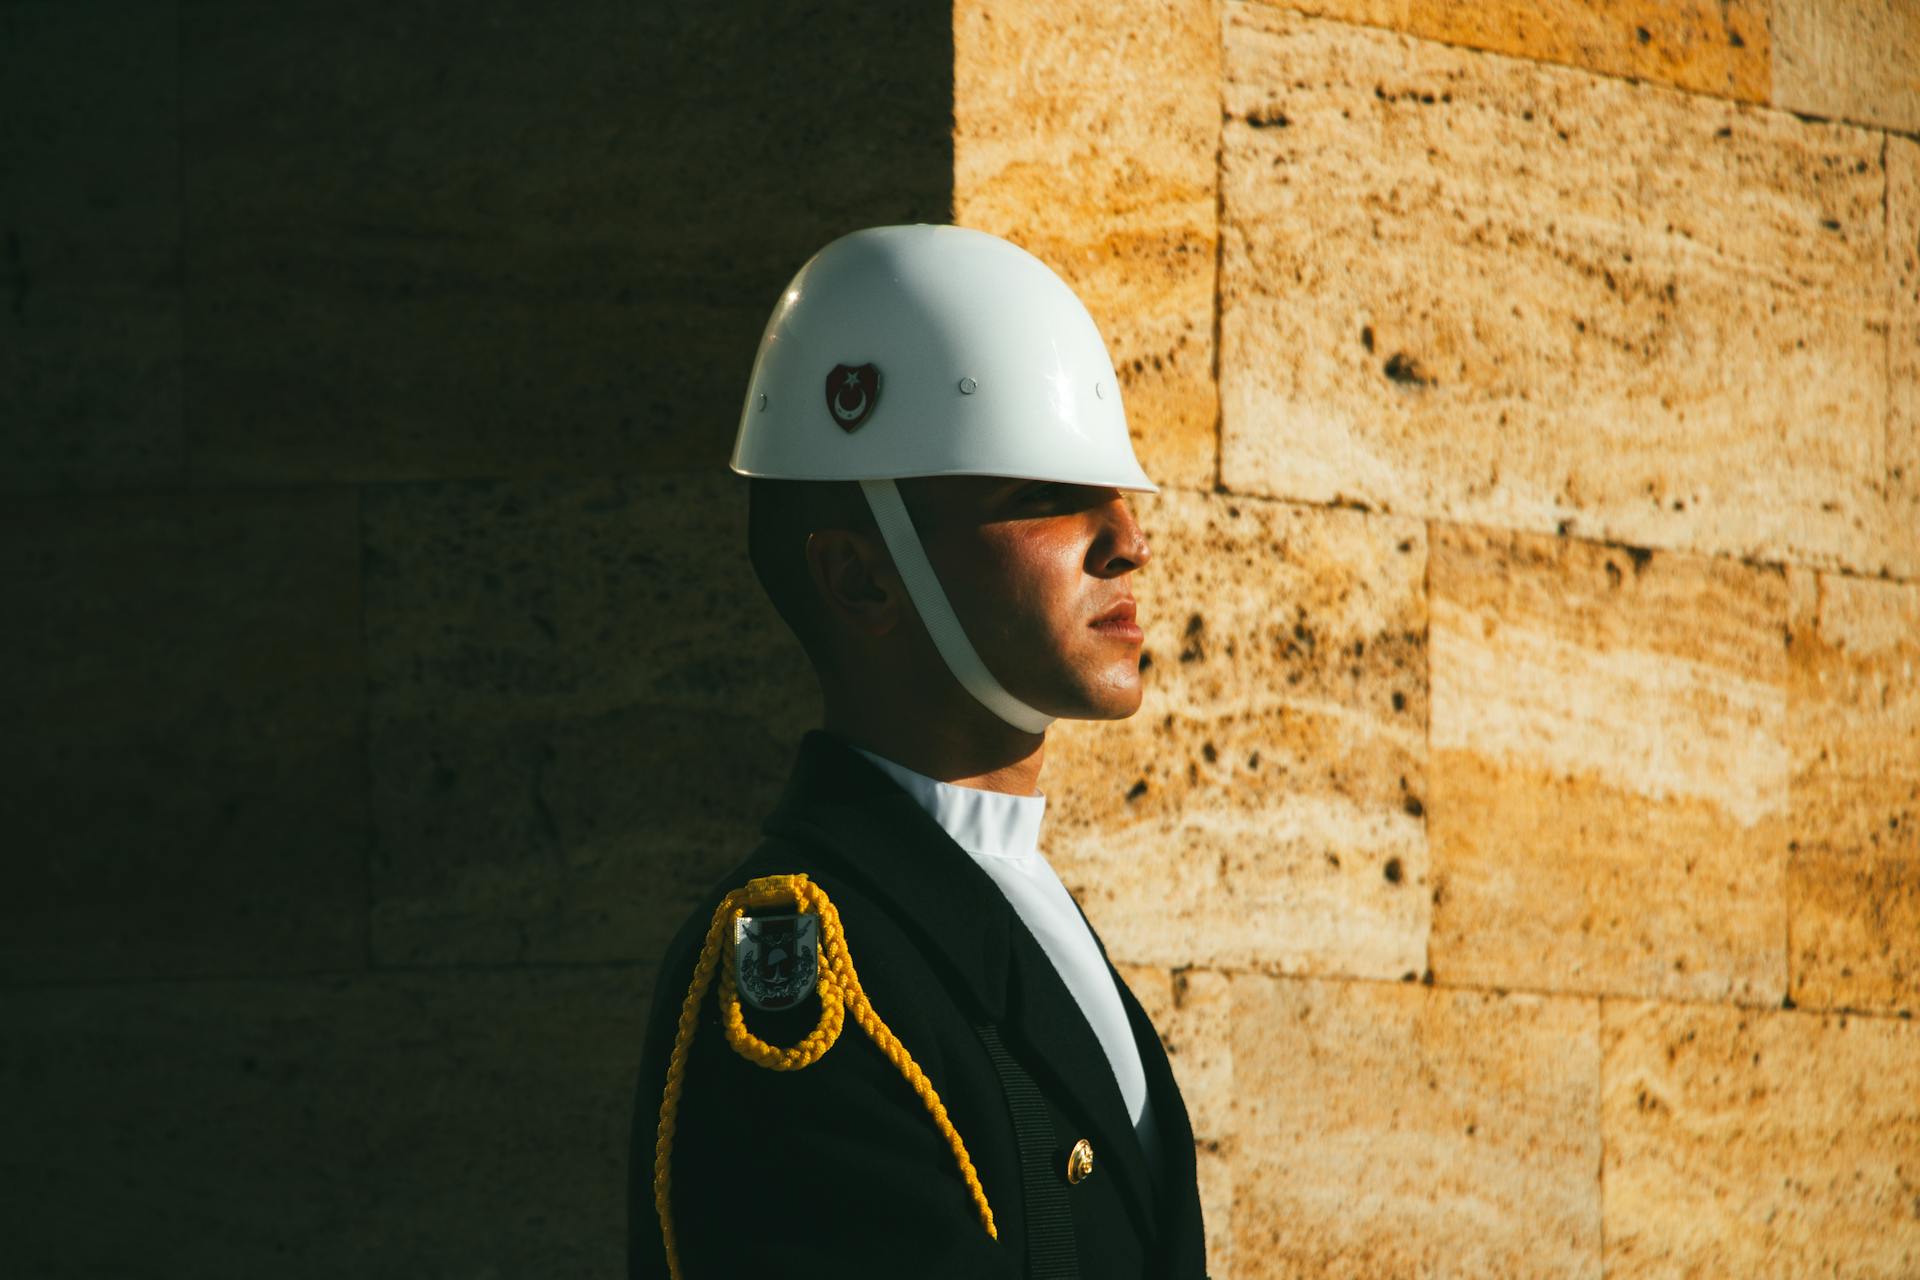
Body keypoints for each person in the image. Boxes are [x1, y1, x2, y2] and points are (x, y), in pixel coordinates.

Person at [627, 224, 1208, 1279]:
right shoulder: (805, 978)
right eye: (1041, 492)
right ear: (861, 579)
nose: (1129, 538)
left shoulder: (1007, 905)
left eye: (1117, 494)